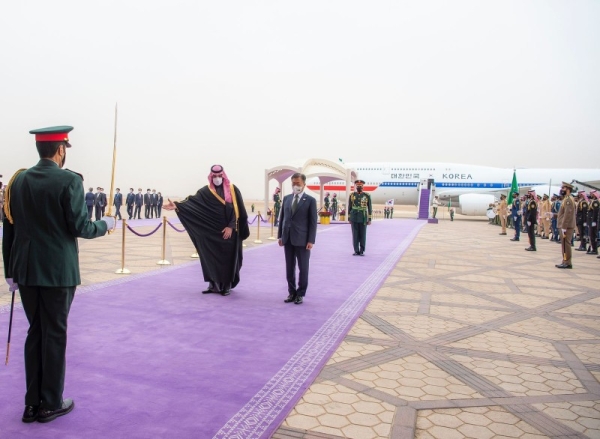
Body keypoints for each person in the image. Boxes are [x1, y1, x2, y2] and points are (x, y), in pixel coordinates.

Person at [2, 125, 114, 424]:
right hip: (57, 272)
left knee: (35, 332)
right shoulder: (69, 180)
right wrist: (106, 223)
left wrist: (10, 272)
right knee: (54, 334)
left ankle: (31, 404)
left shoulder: (18, 181)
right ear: (61, 149)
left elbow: (8, 230)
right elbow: (81, 227)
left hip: (25, 270)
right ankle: (50, 403)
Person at [162, 165, 249, 296]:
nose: (217, 178)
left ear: (223, 175)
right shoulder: (205, 191)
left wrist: (231, 227)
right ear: (211, 176)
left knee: (227, 259)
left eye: (220, 176)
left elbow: (238, 210)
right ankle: (213, 285)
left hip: (229, 232)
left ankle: (226, 285)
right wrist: (177, 206)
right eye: (215, 176)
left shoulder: (232, 189)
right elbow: (192, 203)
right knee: (209, 256)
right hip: (212, 231)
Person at [277, 172, 317, 305]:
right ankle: (291, 292)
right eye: (293, 183)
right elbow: (282, 218)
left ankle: (300, 293)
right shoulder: (287, 198)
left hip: (303, 240)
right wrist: (280, 236)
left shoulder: (310, 200)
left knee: (303, 268)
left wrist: (311, 240)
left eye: (298, 183)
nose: (295, 185)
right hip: (287, 239)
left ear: (304, 184)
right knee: (289, 268)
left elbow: (312, 222)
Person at [348, 179, 372, 255]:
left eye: (360, 186)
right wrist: (349, 217)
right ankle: (356, 250)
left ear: (363, 186)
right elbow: (350, 207)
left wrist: (369, 218)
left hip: (363, 217)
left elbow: (370, 207)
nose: (359, 187)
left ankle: (362, 250)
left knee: (362, 234)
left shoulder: (367, 195)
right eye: (357, 186)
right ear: (355, 186)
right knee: (355, 235)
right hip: (354, 217)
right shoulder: (352, 195)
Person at [556, 182, 576, 269]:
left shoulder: (568, 199)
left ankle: (567, 262)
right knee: (564, 244)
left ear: (568, 189)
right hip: (565, 225)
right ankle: (565, 261)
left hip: (566, 226)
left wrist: (564, 227)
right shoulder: (567, 198)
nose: (561, 190)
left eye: (563, 188)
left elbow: (568, 214)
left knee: (565, 244)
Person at [587, 190, 599, 255]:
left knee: (593, 236)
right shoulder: (593, 201)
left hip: (593, 222)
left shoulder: (595, 202)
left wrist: (594, 221)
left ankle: (594, 249)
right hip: (590, 221)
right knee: (591, 235)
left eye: (591, 193)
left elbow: (595, 213)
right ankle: (593, 248)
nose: (590, 195)